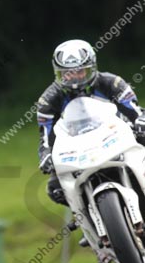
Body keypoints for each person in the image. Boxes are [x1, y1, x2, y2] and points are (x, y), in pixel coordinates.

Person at [37, 38, 145, 205]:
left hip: (116, 137)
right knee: (55, 189)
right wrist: (45, 155)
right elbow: (46, 137)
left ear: (92, 67)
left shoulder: (111, 82)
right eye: (67, 73)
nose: (74, 79)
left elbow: (135, 111)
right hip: (77, 150)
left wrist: (140, 121)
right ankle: (84, 215)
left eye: (80, 71)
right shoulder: (48, 99)